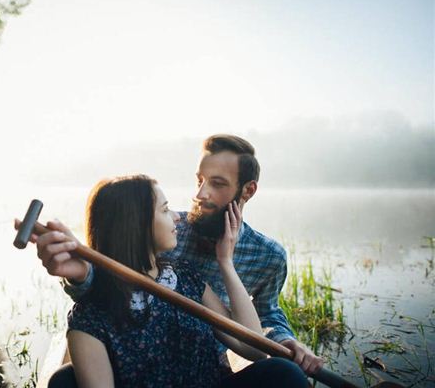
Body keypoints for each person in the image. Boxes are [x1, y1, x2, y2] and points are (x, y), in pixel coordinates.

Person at [25, 134, 323, 381]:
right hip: (134, 364)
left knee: (284, 373)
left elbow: (264, 320)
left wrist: (282, 339)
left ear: (248, 190)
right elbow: (113, 269)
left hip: (203, 366)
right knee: (63, 379)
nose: (200, 195)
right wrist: (81, 274)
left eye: (217, 184)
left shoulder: (264, 257)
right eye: (199, 180)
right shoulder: (166, 233)